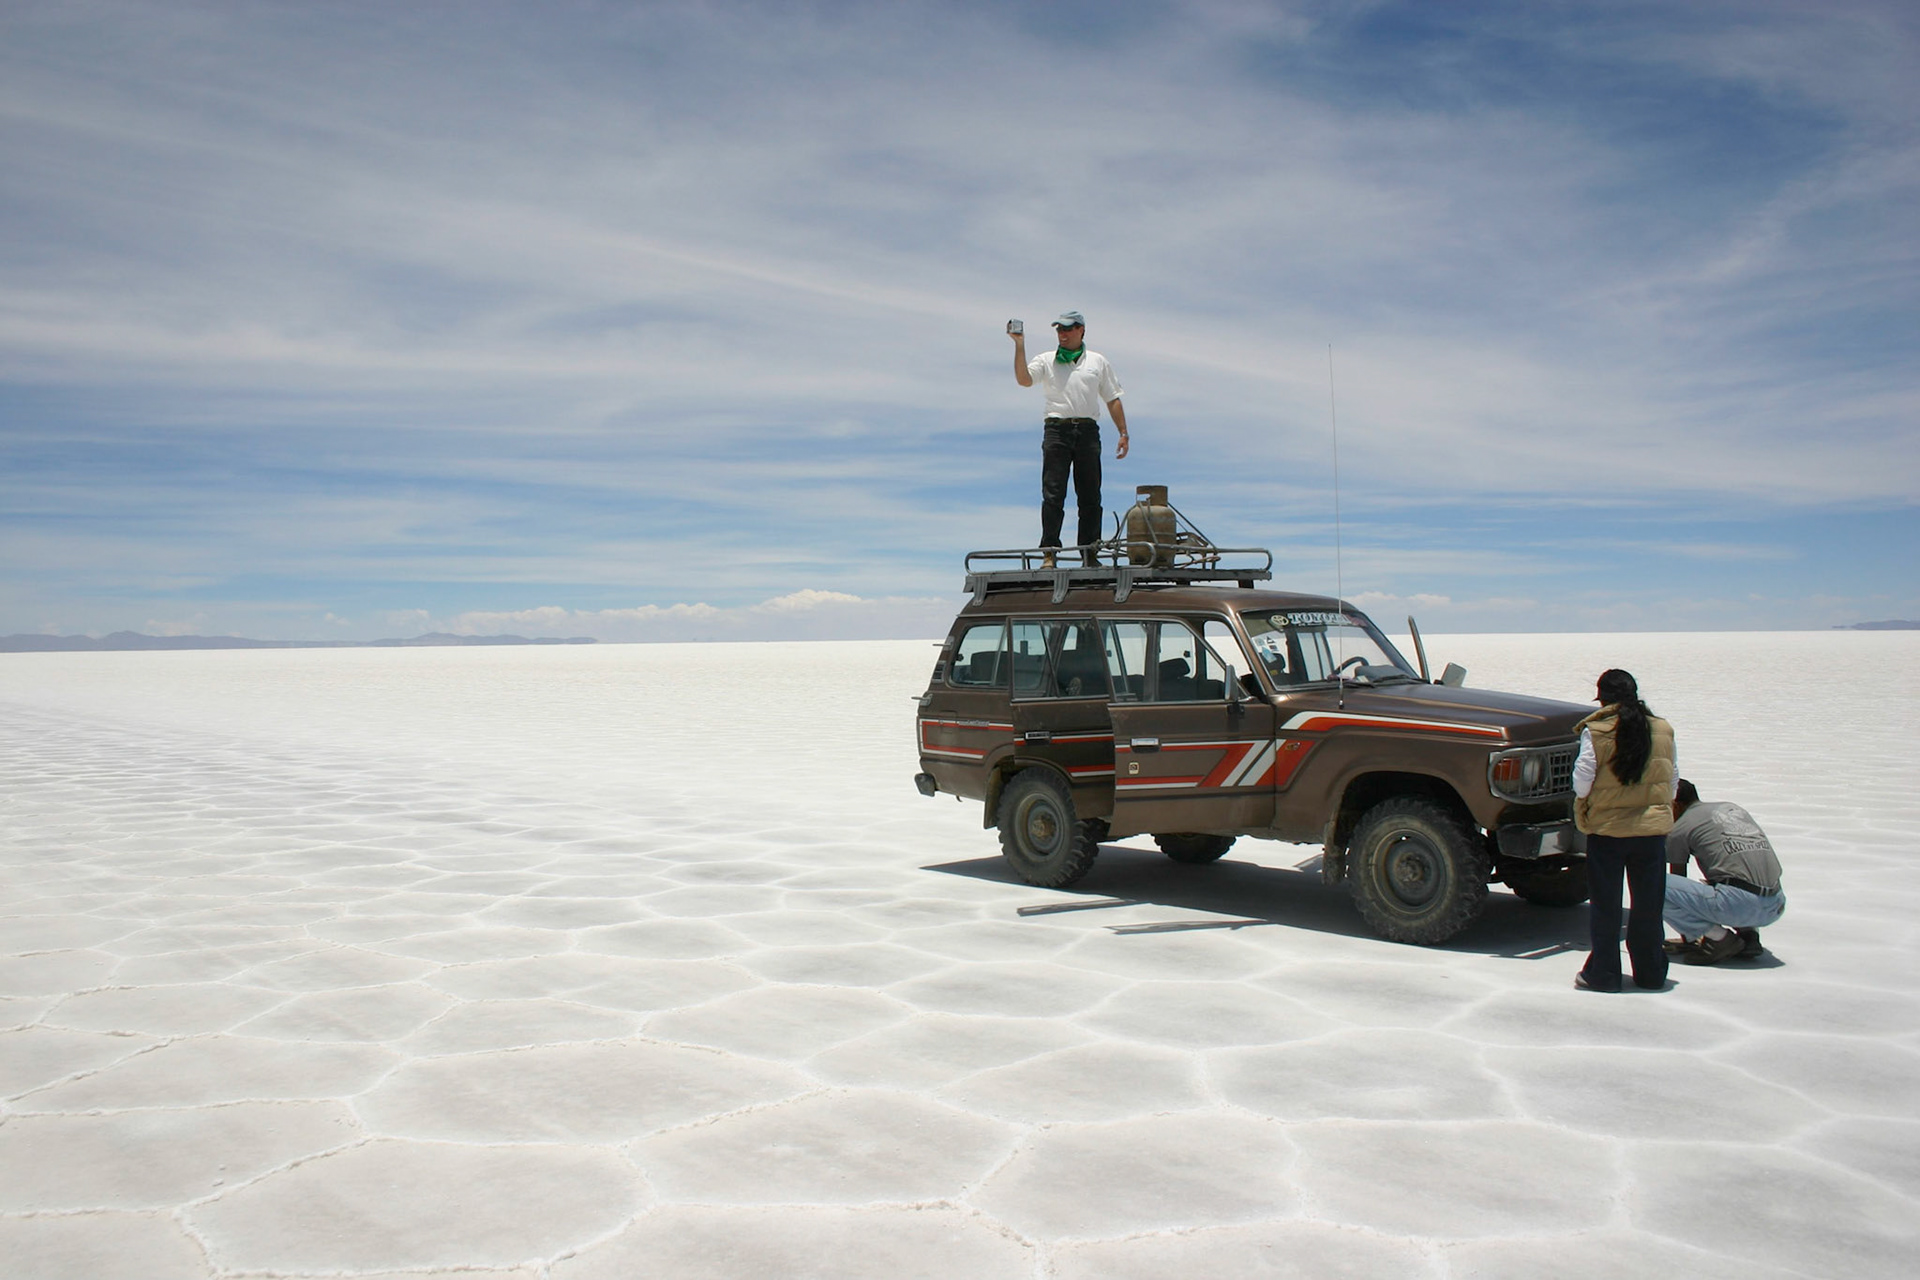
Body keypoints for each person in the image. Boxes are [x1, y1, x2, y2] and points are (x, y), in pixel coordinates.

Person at [1572, 668, 1677, 993]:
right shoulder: (1662, 728)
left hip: (1608, 832)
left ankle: (1603, 973)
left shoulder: (1596, 731)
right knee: (1648, 906)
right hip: (1651, 832)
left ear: (1602, 698)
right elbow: (1672, 779)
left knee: (1606, 907)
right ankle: (1651, 972)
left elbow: (1582, 779)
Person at [1011, 310, 1129, 566]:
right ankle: (1049, 552)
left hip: (1087, 431)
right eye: (1059, 329)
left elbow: (1112, 398)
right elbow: (1024, 380)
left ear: (1081, 330)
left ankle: (1089, 553)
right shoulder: (1047, 359)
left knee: (1090, 496)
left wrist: (1123, 433)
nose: (1062, 334)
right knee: (1053, 494)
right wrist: (1019, 345)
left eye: (1067, 328)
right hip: (1057, 430)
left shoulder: (1097, 361)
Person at [1663, 779, 1785, 964]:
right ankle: (1749, 936)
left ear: (1675, 804)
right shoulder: (1731, 809)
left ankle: (1718, 939)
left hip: (1741, 906)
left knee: (1653, 885)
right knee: (1732, 875)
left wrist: (1690, 934)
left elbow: (1677, 880)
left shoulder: (1680, 827)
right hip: (1776, 904)